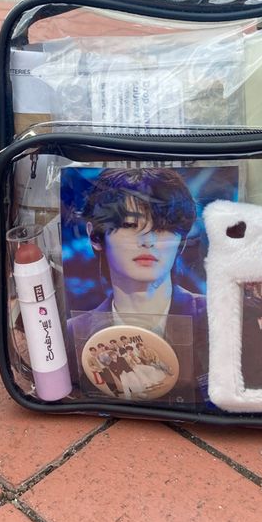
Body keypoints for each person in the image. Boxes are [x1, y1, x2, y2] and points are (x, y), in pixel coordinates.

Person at [66, 168, 208, 403]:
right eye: (131, 225)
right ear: (95, 236)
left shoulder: (217, 318)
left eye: (162, 227)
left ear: (181, 241)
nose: (148, 241)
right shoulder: (73, 333)